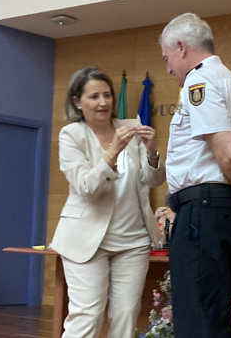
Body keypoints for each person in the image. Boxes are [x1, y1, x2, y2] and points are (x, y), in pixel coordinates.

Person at [159, 13, 231, 338]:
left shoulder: (201, 81)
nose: (168, 67)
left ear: (181, 47)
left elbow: (230, 153)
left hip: (203, 214)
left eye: (167, 57)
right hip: (223, 211)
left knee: (197, 323)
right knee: (212, 320)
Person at [49, 67, 165, 338]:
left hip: (133, 241)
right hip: (86, 241)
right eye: (94, 96)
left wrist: (151, 150)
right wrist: (113, 151)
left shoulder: (129, 127)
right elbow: (87, 188)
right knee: (87, 316)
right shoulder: (71, 135)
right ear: (77, 102)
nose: (103, 102)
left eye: (107, 95)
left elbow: (154, 180)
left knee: (126, 317)